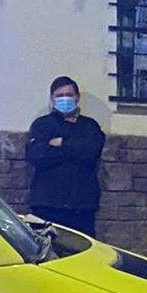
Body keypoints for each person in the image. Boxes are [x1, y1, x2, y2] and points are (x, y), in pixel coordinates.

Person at [25, 76, 106, 236]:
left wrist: (62, 143)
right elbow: (37, 155)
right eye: (59, 95)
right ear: (52, 99)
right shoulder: (42, 125)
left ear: (77, 97)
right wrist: (74, 149)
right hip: (46, 205)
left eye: (68, 94)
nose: (64, 99)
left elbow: (90, 151)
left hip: (81, 207)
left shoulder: (89, 126)